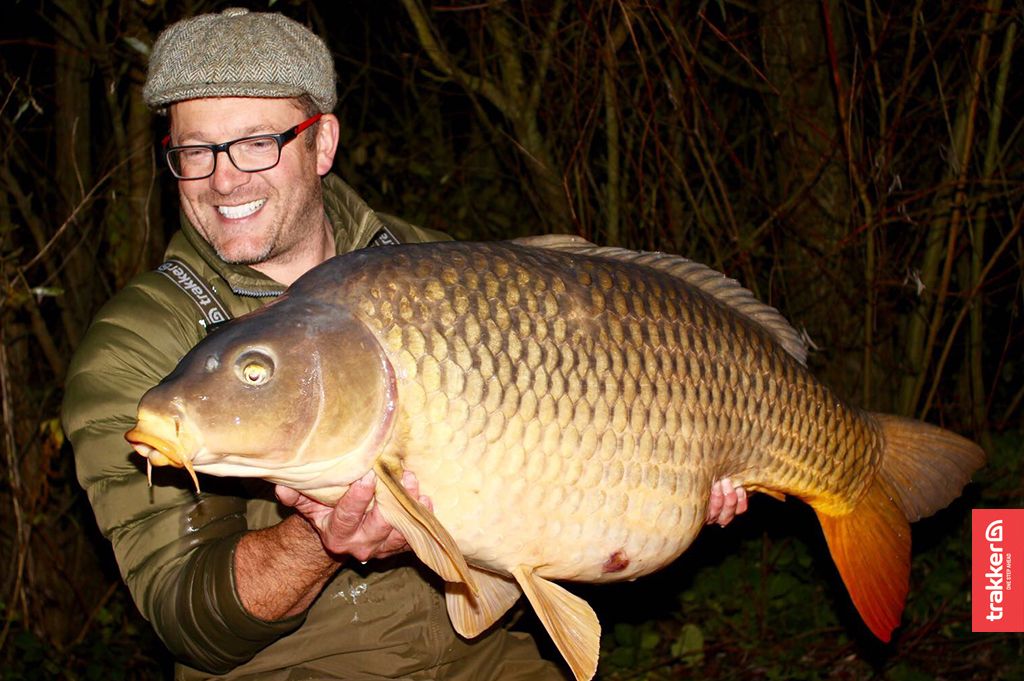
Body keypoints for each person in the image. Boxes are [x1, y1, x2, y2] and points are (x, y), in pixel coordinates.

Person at [62, 8, 745, 680]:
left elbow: (564, 450)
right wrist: (319, 538)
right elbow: (188, 617)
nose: (224, 177)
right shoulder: (137, 343)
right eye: (195, 150)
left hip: (481, 660)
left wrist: (684, 461)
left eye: (256, 142)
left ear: (321, 143)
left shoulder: (435, 268)